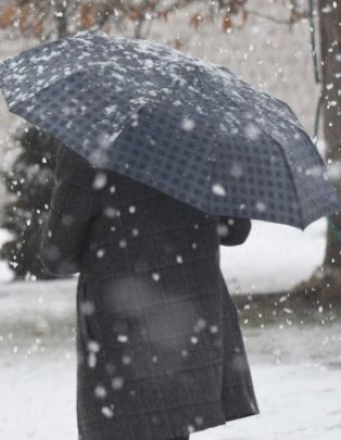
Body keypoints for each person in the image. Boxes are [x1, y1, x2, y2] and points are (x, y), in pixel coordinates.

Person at [39, 146, 259, 440]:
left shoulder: (90, 147)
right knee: (174, 425)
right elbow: (235, 230)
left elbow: (56, 256)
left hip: (122, 327)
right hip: (190, 319)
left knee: (129, 427)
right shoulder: (201, 142)